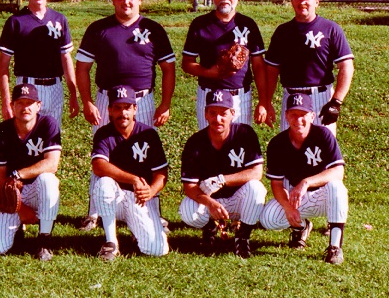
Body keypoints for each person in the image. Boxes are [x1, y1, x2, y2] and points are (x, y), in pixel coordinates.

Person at [76, 0, 175, 230]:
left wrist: (165, 104)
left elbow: (168, 68)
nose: (126, 1)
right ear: (113, 0)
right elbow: (82, 67)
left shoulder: (153, 28)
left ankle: (151, 207)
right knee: (102, 151)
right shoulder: (99, 28)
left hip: (142, 99)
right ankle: (95, 211)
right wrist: (87, 101)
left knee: (147, 153)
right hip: (107, 99)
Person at [260, 93, 348, 264]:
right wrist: (287, 207)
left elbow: (338, 172)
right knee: (268, 218)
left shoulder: (323, 135)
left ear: (312, 116)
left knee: (336, 187)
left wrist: (306, 182)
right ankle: (301, 226)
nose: (298, 119)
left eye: (303, 114)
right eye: (293, 114)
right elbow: (276, 184)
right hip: (298, 199)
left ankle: (335, 246)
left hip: (325, 197)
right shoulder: (277, 143)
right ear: (286, 116)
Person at [178, 89, 266, 258]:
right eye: (213, 113)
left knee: (257, 189)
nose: (218, 119)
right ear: (205, 114)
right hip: (211, 201)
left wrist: (222, 180)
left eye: (223, 113)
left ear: (232, 114)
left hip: (238, 198)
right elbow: (189, 187)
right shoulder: (195, 142)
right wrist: (210, 203)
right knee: (187, 210)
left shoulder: (245, 134)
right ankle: (210, 226)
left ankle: (242, 237)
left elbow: (257, 172)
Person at [265, 0, 354, 135]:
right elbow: (272, 70)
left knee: (323, 153)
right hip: (291, 98)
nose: (302, 2)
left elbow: (346, 66)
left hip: (320, 98)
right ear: (292, 1)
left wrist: (336, 101)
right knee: (290, 152)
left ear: (317, 1)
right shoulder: (283, 32)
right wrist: (267, 101)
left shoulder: (331, 29)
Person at [91, 85, 169, 260]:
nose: (122, 113)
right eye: (117, 107)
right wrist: (133, 179)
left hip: (139, 198)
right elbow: (98, 166)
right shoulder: (104, 134)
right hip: (114, 198)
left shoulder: (148, 134)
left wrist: (151, 191)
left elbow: (161, 172)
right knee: (104, 183)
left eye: (127, 107)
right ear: (109, 110)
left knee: (157, 249)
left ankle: (137, 231)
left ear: (135, 109)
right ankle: (111, 243)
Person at [182, 0, 269, 129]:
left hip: (239, 97)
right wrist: (211, 72)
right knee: (208, 147)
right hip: (209, 95)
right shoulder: (200, 24)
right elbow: (187, 64)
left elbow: (258, 66)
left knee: (239, 147)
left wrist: (263, 101)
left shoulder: (248, 24)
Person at [0, 84, 61, 261]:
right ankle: (17, 227)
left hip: (37, 189)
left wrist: (19, 174)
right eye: (20, 103)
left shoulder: (47, 124)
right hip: (11, 192)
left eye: (30, 103)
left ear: (38, 105)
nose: (25, 107)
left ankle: (44, 239)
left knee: (48, 180)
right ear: (12, 106)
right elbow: (0, 180)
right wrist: (20, 209)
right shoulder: (0, 132)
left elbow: (52, 164)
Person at [0, 0, 79, 125]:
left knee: (53, 138)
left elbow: (66, 58)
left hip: (55, 86)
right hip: (27, 86)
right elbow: (3, 67)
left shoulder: (59, 19)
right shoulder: (16, 21)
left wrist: (73, 94)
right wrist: (6, 100)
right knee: (27, 140)